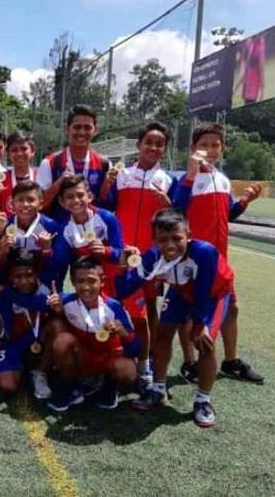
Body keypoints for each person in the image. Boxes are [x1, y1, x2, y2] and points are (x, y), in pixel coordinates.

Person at [116, 209, 234, 428]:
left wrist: (199, 324)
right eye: (163, 240)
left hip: (213, 294)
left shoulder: (204, 252)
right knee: (162, 334)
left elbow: (204, 292)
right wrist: (123, 265)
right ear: (154, 240)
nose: (170, 245)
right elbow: (124, 290)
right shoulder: (152, 256)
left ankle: (203, 400)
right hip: (181, 291)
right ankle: (158, 389)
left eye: (177, 238)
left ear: (189, 235)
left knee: (204, 342)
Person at [172, 122, 264, 384]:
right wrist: (189, 176)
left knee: (231, 308)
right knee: (188, 313)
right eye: (203, 145)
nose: (209, 150)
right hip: (192, 260)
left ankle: (231, 361)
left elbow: (228, 214)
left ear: (222, 149)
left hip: (220, 261)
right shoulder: (185, 180)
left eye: (215, 145)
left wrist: (245, 200)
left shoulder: (222, 179)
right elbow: (176, 213)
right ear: (193, 148)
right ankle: (189, 363)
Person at [99, 121, 177, 391]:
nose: (153, 148)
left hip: (151, 256)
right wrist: (107, 187)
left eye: (159, 144)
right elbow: (106, 207)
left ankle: (150, 356)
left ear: (164, 149)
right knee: (116, 302)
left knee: (148, 307)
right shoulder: (121, 175)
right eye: (149, 143)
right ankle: (117, 350)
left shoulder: (169, 180)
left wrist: (168, 203)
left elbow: (176, 219)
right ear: (139, 145)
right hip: (121, 254)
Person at [42, 256, 141, 412]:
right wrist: (57, 311)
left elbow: (136, 349)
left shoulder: (114, 307)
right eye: (80, 281)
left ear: (102, 281)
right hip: (83, 356)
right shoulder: (65, 301)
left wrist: (123, 333)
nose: (86, 287)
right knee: (62, 340)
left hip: (107, 358)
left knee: (127, 370)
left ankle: (109, 387)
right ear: (73, 282)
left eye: (91, 281)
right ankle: (70, 388)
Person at [0, 249, 52, 398]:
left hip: (35, 339)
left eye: (29, 275)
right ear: (10, 277)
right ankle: (20, 365)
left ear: (36, 274)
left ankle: (40, 371)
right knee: (7, 386)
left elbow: (31, 302)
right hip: (11, 343)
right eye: (17, 276)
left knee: (57, 327)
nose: (23, 281)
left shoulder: (44, 293)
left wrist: (7, 292)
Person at [37, 105, 111, 220]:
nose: (82, 132)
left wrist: (107, 185)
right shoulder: (50, 163)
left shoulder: (104, 164)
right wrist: (58, 183)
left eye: (87, 128)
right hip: (60, 232)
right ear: (67, 129)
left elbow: (108, 204)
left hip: (92, 233)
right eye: (77, 127)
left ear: (95, 130)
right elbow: (40, 204)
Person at [0, 131, 37, 217]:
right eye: (14, 150)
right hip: (8, 228)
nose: (19, 153)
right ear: (8, 154)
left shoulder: (41, 176)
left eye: (24, 149)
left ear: (33, 151)